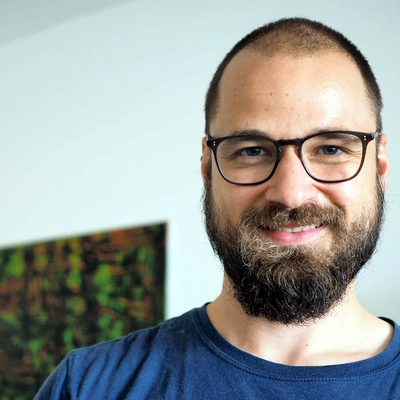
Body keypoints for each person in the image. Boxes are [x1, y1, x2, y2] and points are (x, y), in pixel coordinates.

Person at [34, 18, 399, 399]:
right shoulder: (86, 385)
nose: (291, 194)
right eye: (252, 151)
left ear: (379, 166)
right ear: (208, 168)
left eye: (331, 149)